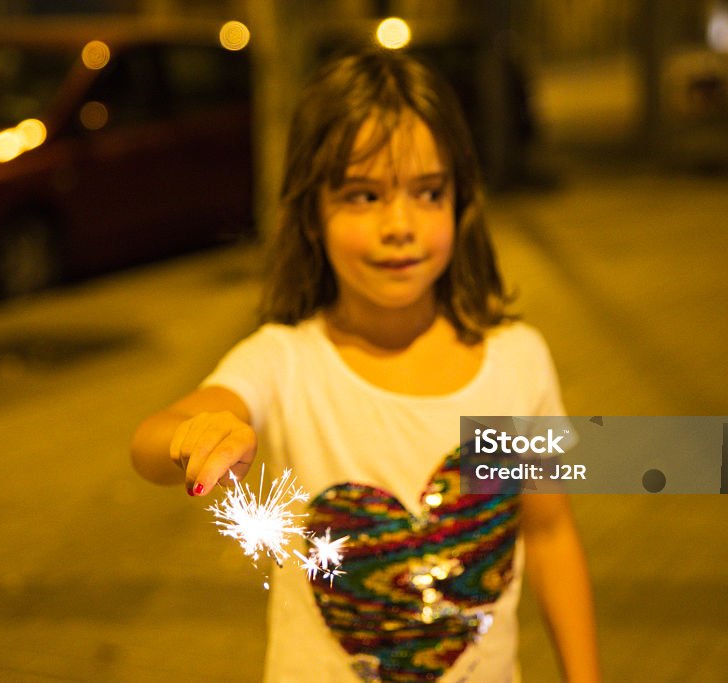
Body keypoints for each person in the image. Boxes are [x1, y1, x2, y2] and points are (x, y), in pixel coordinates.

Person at [131, 49, 600, 683]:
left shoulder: (518, 361)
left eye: (428, 191)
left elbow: (547, 532)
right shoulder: (286, 361)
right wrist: (195, 436)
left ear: (462, 202)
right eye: (363, 195)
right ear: (311, 212)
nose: (399, 224)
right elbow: (157, 438)